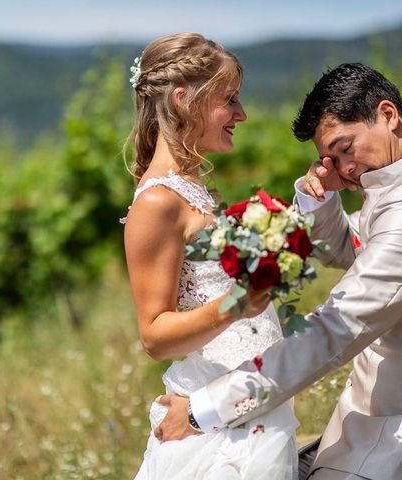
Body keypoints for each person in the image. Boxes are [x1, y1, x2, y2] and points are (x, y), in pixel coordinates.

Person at [156, 63, 402, 480]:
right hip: (382, 425)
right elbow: (354, 250)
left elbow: (337, 326)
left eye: (346, 147)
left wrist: (201, 410)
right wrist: (317, 198)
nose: (345, 168)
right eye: (331, 158)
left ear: (388, 115)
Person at [122, 33, 299, 479]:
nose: (241, 114)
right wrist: (237, 304)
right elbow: (154, 338)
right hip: (214, 428)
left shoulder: (195, 191)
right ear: (184, 100)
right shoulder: (158, 201)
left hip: (248, 403)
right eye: (230, 99)